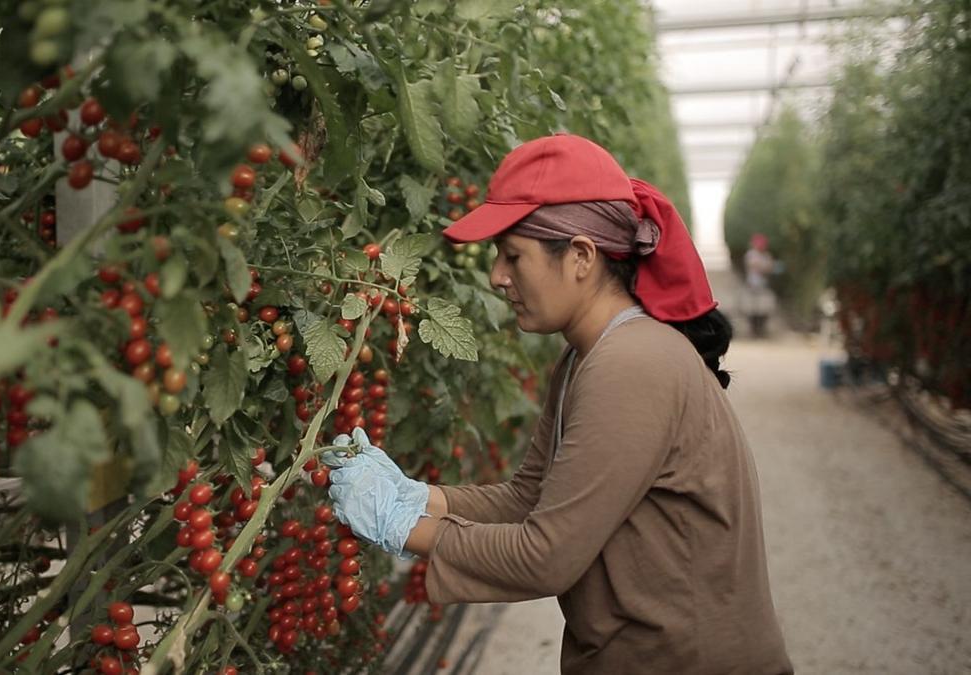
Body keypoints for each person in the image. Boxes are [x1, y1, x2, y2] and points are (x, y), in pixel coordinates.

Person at [322, 134, 793, 674]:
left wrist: (401, 524)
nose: (498, 275)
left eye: (513, 255)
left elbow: (547, 556)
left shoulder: (632, 365)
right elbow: (531, 497)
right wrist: (420, 496)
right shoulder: (583, 358)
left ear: (581, 257)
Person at [742, 233, 776, 338]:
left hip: (763, 287)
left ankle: (761, 331)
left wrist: (763, 266)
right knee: (751, 310)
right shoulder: (751, 254)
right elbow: (757, 266)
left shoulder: (766, 255)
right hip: (752, 286)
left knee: (764, 309)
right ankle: (753, 331)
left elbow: (769, 267)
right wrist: (763, 266)